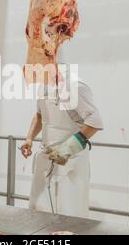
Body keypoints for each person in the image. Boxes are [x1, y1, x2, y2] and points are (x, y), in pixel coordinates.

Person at [21, 65, 103, 218]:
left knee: (69, 213)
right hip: (46, 156)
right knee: (39, 211)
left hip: (70, 161)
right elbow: (39, 115)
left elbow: (95, 122)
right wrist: (29, 138)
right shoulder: (44, 86)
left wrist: (67, 149)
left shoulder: (76, 87)